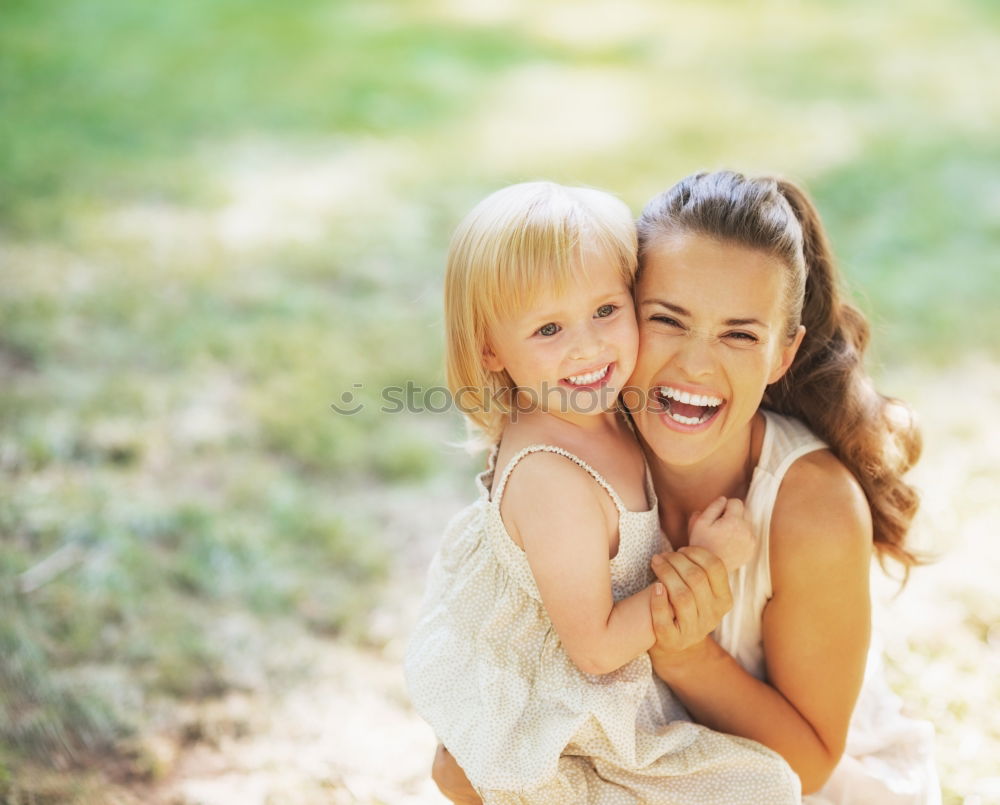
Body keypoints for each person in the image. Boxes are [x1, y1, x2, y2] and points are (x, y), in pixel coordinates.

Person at [430, 171, 940, 804]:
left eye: (740, 334)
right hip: (645, 759)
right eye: (667, 320)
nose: (697, 365)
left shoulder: (813, 508)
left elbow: (809, 767)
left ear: (782, 356)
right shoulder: (581, 440)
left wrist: (687, 655)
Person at [405, 180, 801, 803]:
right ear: (490, 348)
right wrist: (714, 562)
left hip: (609, 692)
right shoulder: (551, 477)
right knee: (761, 787)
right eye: (548, 329)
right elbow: (594, 648)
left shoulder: (607, 410)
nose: (587, 346)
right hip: (558, 712)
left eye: (606, 311)